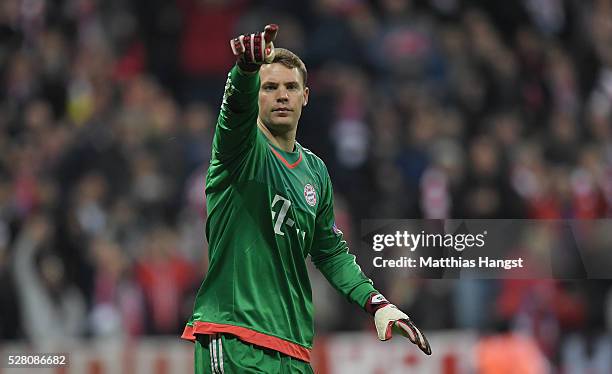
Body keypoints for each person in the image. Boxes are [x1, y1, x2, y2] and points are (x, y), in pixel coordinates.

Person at [181, 24, 431, 373]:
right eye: (270, 87)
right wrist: (245, 71)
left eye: (290, 87)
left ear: (305, 96)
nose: (281, 95)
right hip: (235, 335)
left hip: (293, 346)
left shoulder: (314, 171)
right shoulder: (239, 150)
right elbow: (232, 115)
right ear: (256, 95)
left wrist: (377, 303)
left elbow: (330, 251)